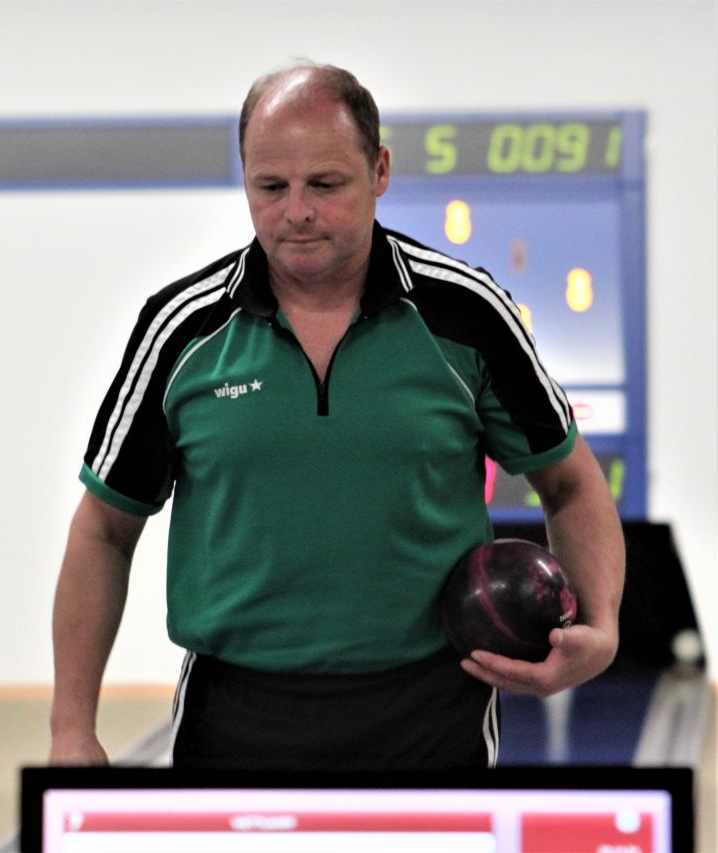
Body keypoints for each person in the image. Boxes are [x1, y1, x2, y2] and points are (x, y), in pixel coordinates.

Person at [48, 61, 624, 771]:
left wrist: (602, 626)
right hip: (235, 715)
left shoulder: (467, 313)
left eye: (325, 184)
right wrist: (71, 729)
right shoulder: (182, 329)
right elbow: (104, 528)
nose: (296, 211)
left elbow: (569, 482)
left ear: (379, 170)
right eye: (270, 186)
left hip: (432, 712)